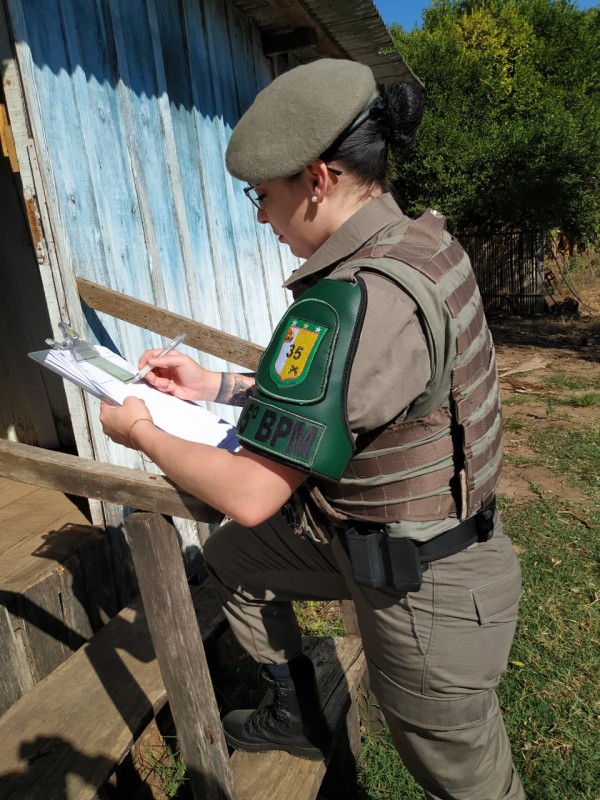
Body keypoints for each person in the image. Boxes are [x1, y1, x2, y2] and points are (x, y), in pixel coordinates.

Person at [100, 58, 526, 800]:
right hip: (368, 542)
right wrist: (217, 384)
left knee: (468, 785)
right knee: (233, 562)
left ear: (318, 179)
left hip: (428, 592)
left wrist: (141, 430)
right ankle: (297, 701)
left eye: (263, 196)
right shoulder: (413, 244)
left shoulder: (365, 297)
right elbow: (342, 384)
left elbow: (254, 490)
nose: (261, 217)